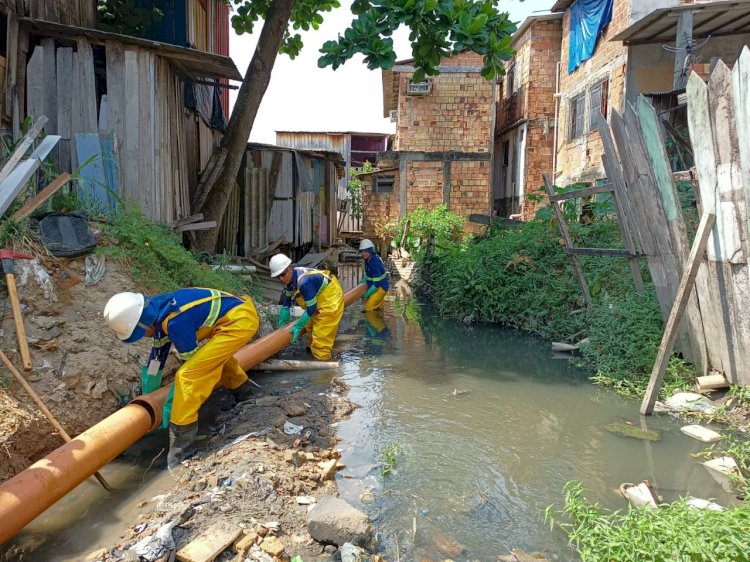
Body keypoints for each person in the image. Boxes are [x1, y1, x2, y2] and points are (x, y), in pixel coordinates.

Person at [103, 288, 259, 469]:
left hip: (240, 321)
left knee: (187, 375)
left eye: (140, 333)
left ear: (143, 324)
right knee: (214, 359)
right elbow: (156, 358)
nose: (143, 337)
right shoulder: (160, 312)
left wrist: (171, 403)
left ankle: (182, 450)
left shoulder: (176, 321)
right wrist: (149, 395)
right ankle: (245, 394)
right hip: (234, 315)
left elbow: (193, 371)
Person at [270, 253, 344, 361]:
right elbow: (286, 302)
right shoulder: (291, 279)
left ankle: (324, 368)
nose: (281, 278)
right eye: (278, 276)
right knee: (310, 326)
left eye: (283, 274)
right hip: (319, 295)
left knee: (321, 336)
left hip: (331, 297)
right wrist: (283, 321)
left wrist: (298, 326)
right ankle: (311, 351)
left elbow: (311, 308)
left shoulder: (304, 282)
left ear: (290, 269)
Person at [359, 239, 389, 312]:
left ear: (370, 251)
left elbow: (376, 283)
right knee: (378, 308)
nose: (363, 253)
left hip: (381, 287)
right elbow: (369, 274)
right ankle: (380, 319)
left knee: (368, 308)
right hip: (376, 286)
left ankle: (372, 322)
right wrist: (362, 282)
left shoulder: (374, 263)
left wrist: (366, 294)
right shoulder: (367, 259)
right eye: (362, 251)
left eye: (365, 251)